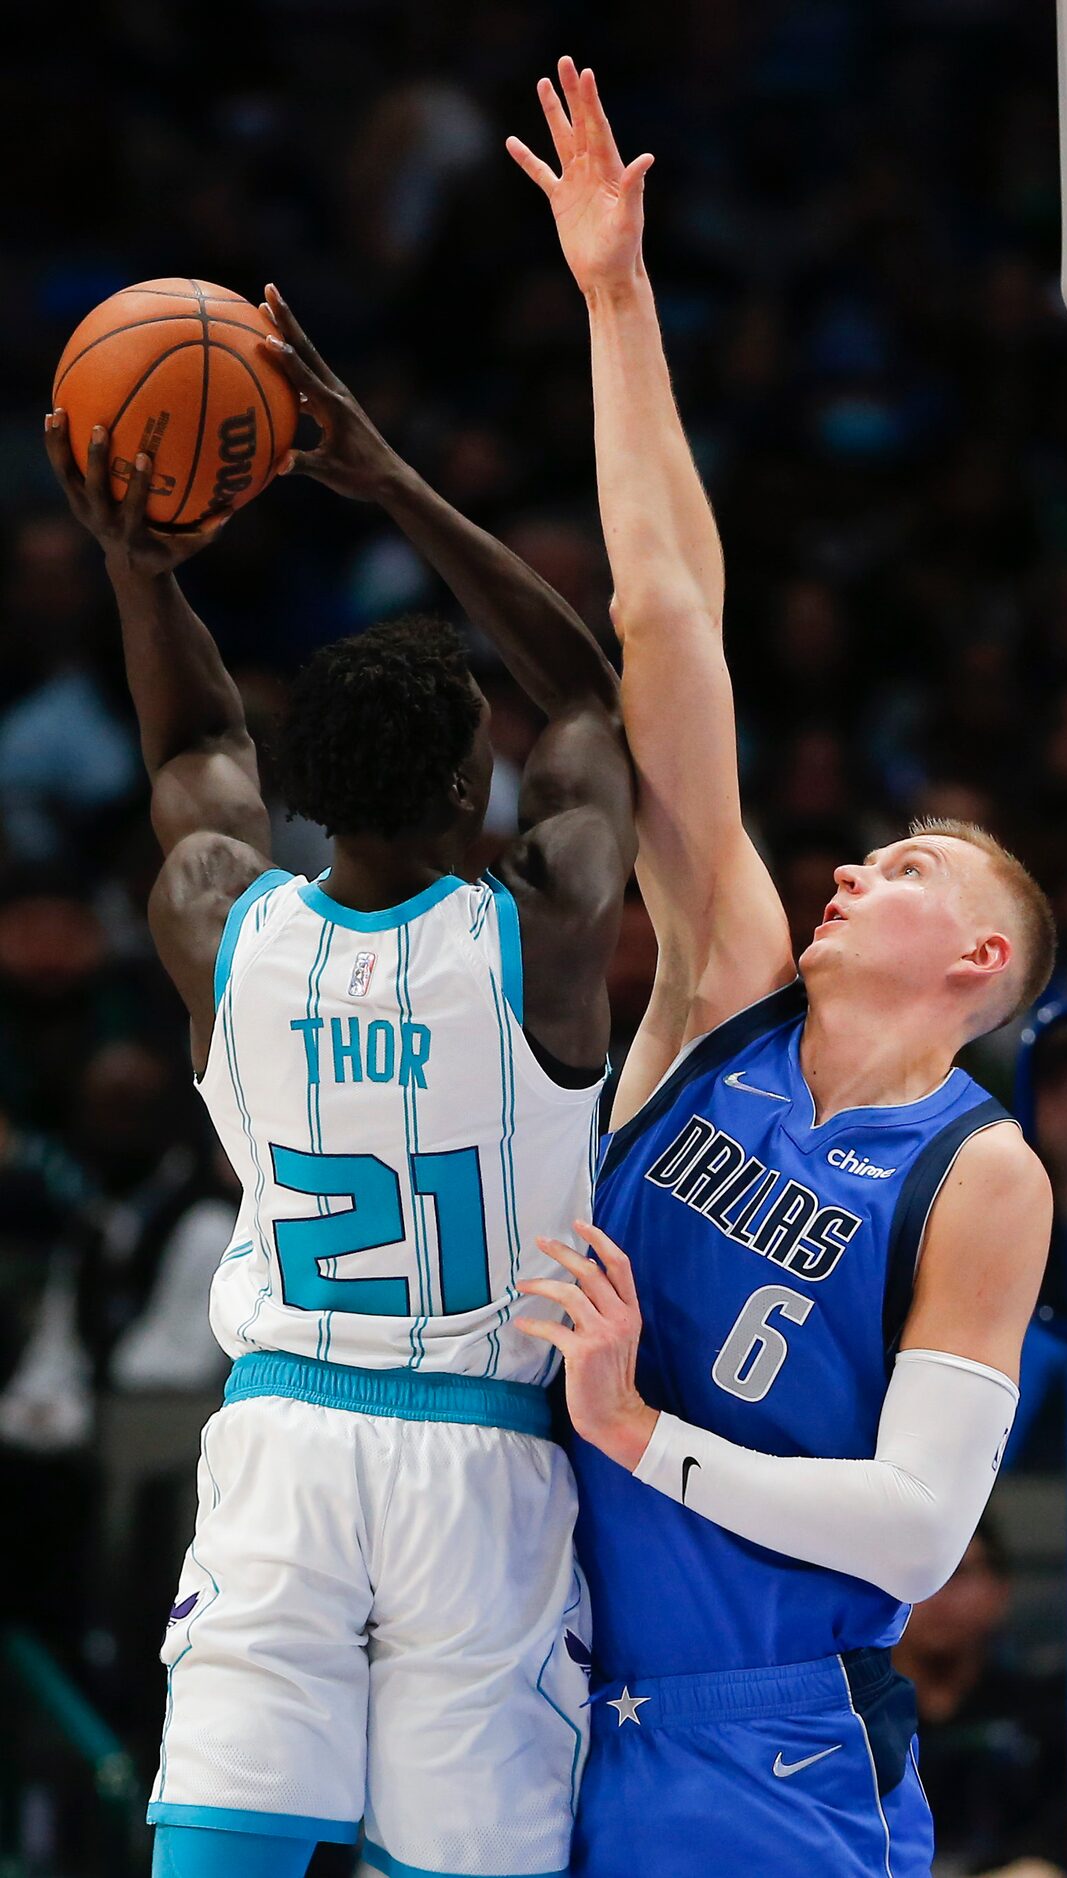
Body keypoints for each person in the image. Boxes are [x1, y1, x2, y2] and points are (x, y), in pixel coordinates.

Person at [507, 60, 1054, 1878]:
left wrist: (635, 1426)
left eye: (901, 865)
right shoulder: (729, 989)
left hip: (770, 1738)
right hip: (542, 1668)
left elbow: (909, 1530)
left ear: (978, 954)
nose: (846, 864)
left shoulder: (976, 1173)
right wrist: (614, 300)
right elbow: (664, 614)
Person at [44, 283, 636, 1878]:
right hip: (482, 1461)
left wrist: (137, 565)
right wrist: (385, 476)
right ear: (475, 784)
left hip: (286, 1439)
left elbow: (188, 753)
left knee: (220, 1852)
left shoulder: (221, 924)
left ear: (301, 793)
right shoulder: (548, 927)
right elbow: (587, 693)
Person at [894, 1520, 1067, 1877]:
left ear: (999, 1590)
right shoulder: (852, 1722)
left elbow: (1055, 1847)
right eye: (921, 1576)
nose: (937, 1594)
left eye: (957, 1573)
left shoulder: (1047, 1716)